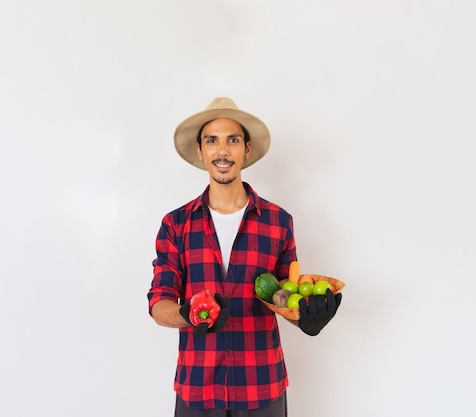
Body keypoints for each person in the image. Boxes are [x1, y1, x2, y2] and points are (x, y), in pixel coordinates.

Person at [147, 97, 342, 417]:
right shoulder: (176, 224)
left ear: (246, 150)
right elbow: (159, 303)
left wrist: (308, 318)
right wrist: (193, 315)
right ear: (200, 151)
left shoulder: (278, 222)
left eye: (232, 140)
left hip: (262, 387)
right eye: (212, 140)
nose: (222, 150)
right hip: (198, 389)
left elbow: (284, 295)